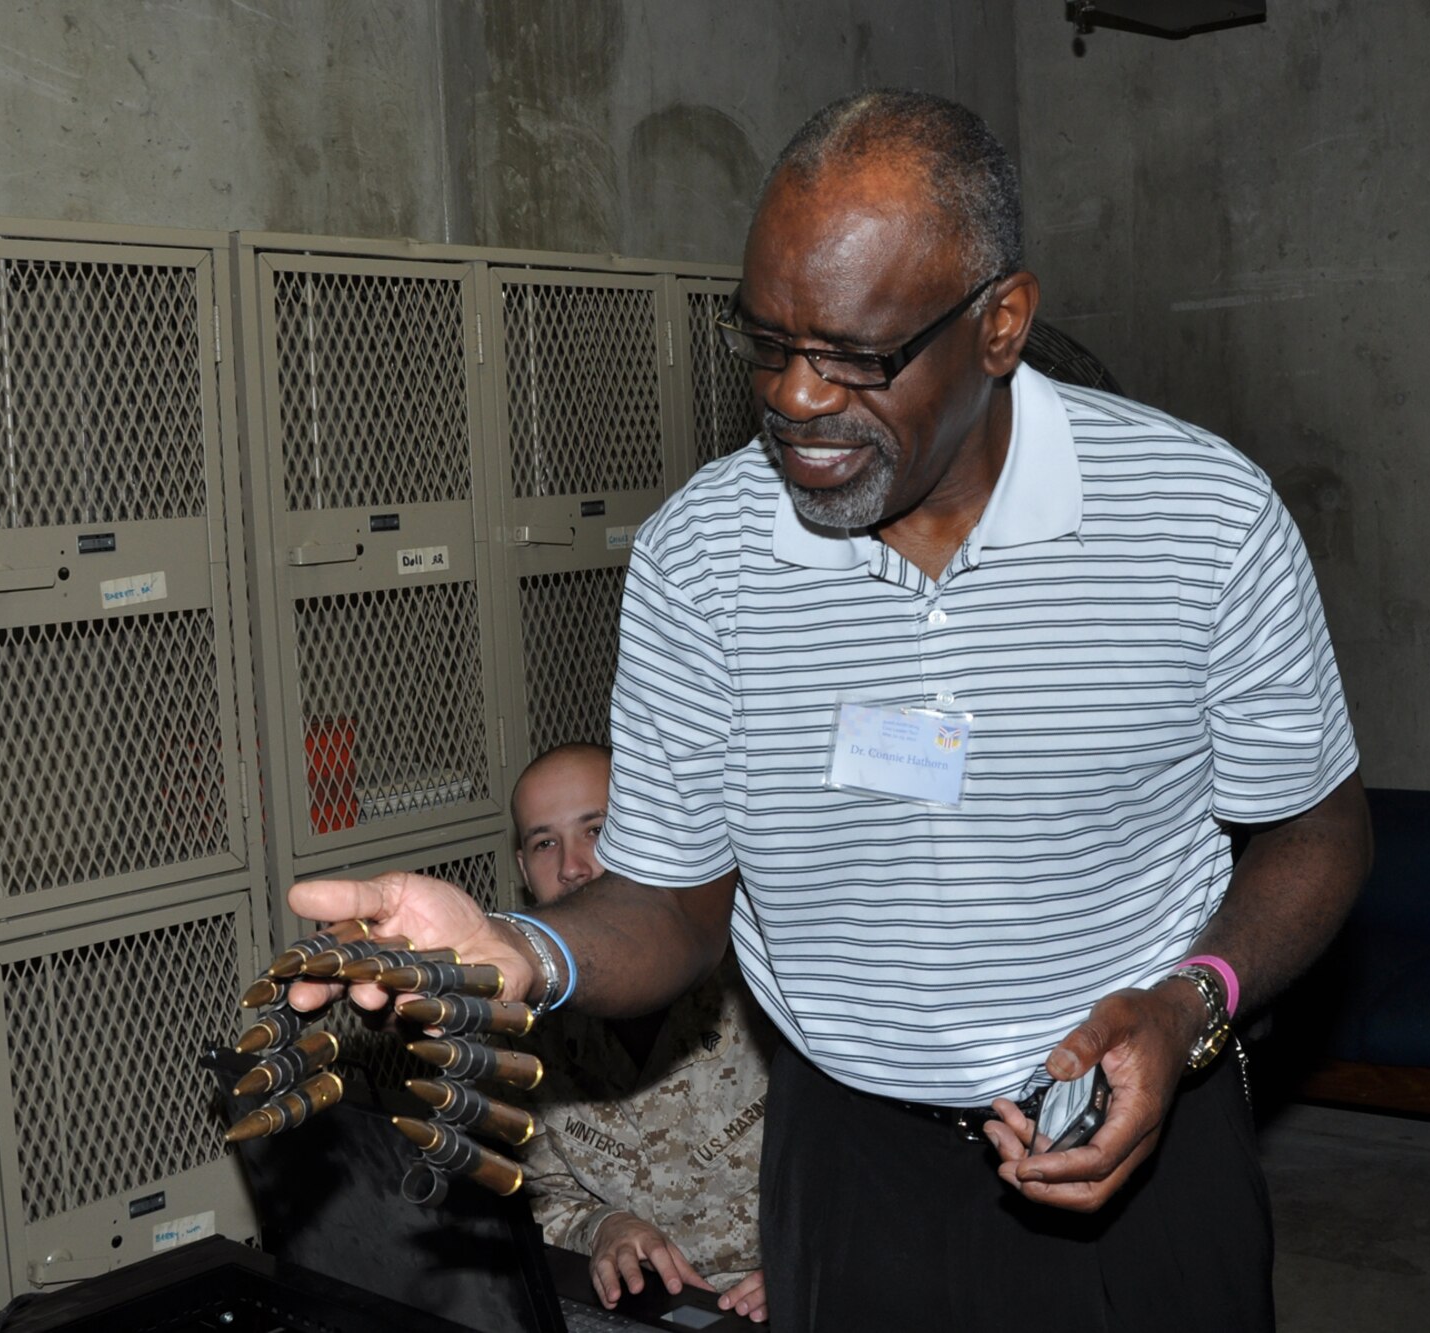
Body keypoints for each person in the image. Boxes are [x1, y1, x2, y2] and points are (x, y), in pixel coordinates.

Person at [290, 88, 1371, 1332]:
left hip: (1141, 1137)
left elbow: (1315, 831)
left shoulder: (1200, 519)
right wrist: (522, 950)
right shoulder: (702, 555)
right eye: (764, 343)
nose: (796, 399)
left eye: (855, 355)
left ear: (1000, 322)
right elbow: (672, 898)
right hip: (847, 1165)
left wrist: (1191, 1002)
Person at [509, 743, 770, 1323]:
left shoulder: (759, 978)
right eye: (545, 843)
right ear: (525, 870)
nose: (572, 867)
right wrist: (602, 1226)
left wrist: (808, 1262)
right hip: (633, 1313)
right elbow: (534, 1198)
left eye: (595, 829)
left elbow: (874, 1164)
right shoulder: (524, 1028)